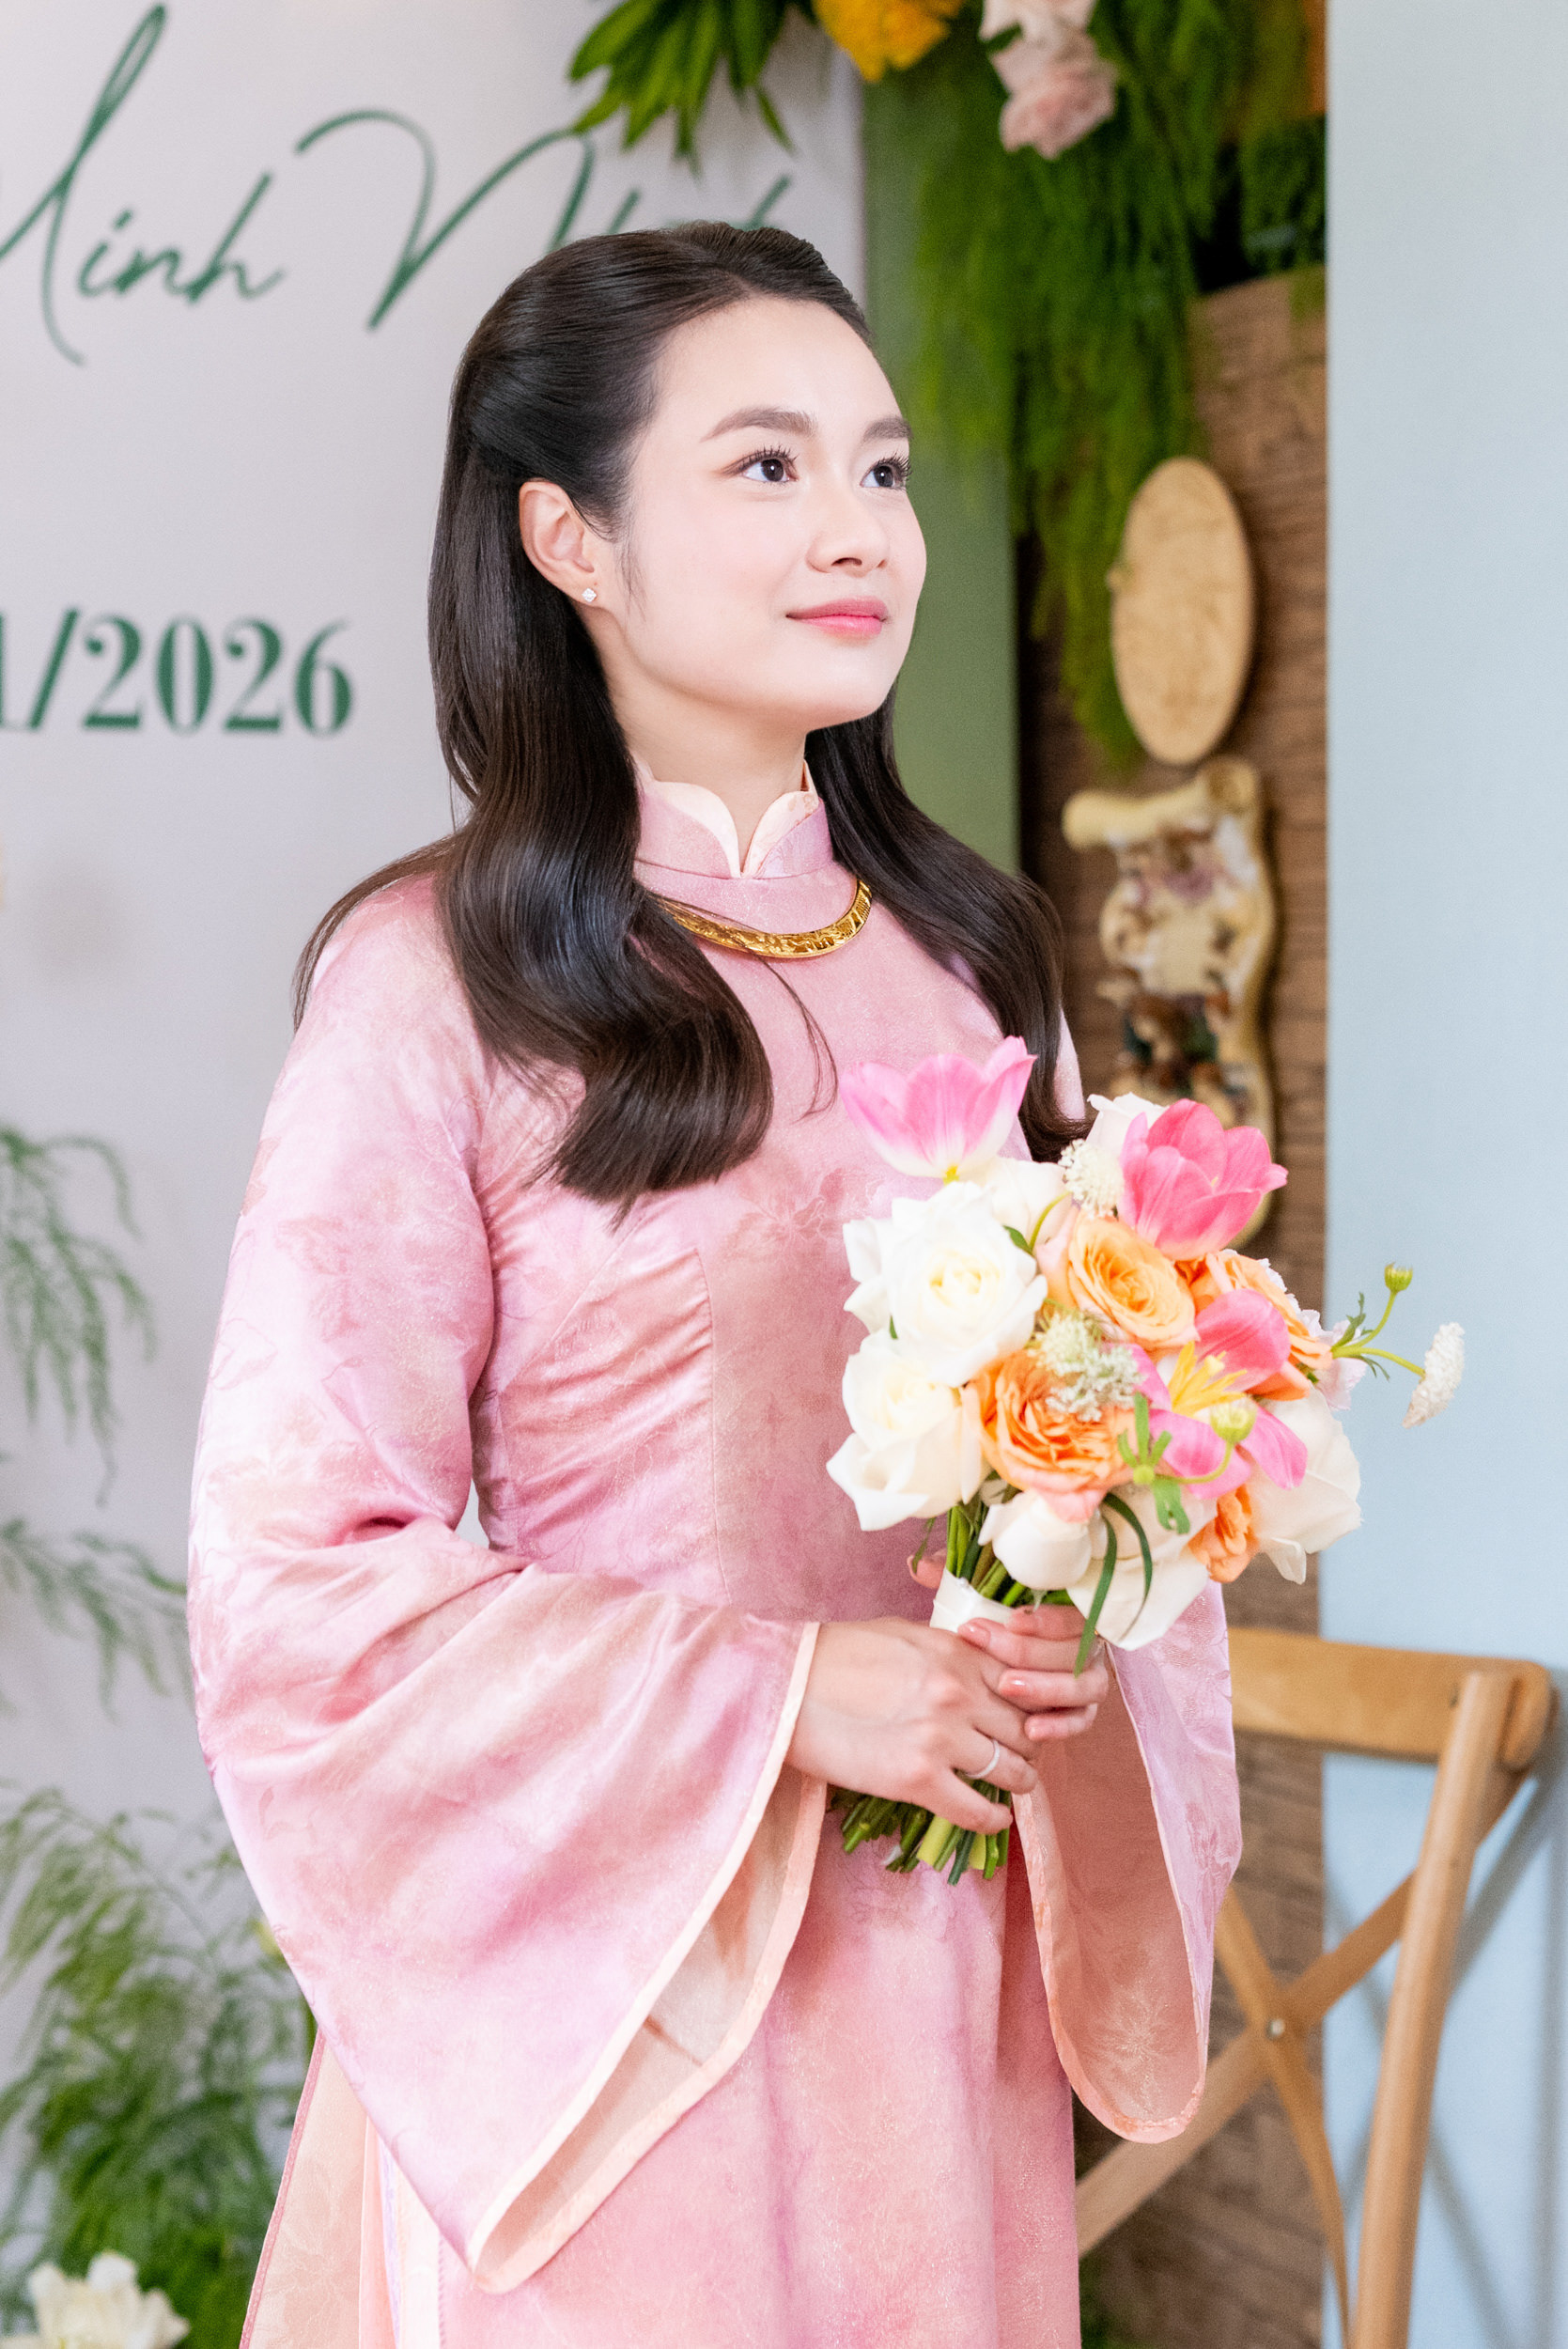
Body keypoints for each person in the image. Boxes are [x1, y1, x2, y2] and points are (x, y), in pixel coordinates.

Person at [189, 224, 1240, 2349]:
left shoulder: (978, 965)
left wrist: (1091, 1582)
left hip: (939, 2008)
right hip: (615, 2024)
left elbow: (1101, 1457)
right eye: (767, 466)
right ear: (566, 537)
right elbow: (298, 1582)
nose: (859, 531)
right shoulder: (436, 987)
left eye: (881, 468)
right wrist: (788, 1692)